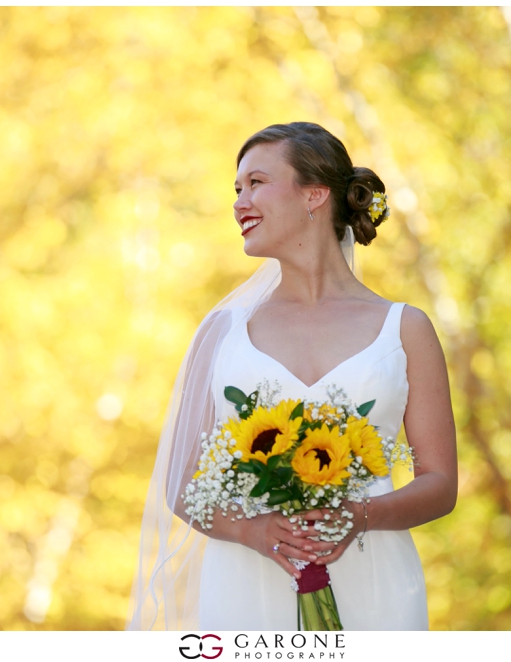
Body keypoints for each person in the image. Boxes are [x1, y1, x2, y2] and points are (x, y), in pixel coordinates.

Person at [126, 122, 457, 631]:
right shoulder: (222, 332)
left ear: (315, 195)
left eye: (256, 183)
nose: (239, 202)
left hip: (375, 583)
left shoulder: (405, 329)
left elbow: (440, 483)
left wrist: (357, 516)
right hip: (246, 585)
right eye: (237, 190)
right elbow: (180, 481)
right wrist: (252, 532)